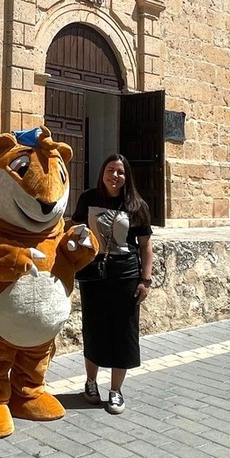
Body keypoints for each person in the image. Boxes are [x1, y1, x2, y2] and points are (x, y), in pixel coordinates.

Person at [72, 153, 154, 415]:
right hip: (93, 274)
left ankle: (116, 391)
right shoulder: (88, 198)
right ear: (102, 173)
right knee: (93, 329)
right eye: (110, 170)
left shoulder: (137, 205)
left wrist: (146, 279)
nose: (115, 176)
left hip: (125, 276)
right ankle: (91, 383)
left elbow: (145, 246)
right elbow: (73, 229)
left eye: (120, 172)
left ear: (126, 176)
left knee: (124, 333)